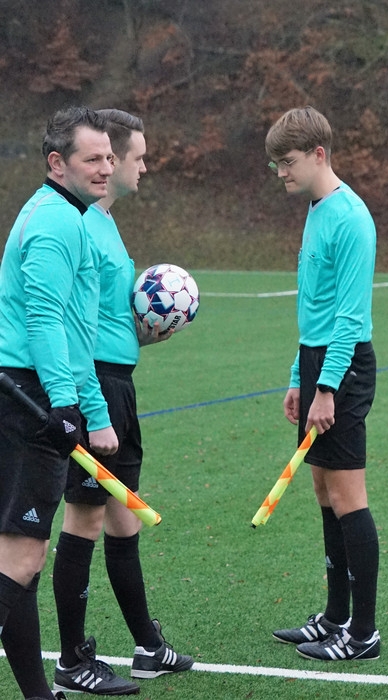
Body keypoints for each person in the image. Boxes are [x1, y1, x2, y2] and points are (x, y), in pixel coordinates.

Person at [51, 109, 193, 697]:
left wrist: (143, 334)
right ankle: (71, 657)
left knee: (123, 516)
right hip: (96, 388)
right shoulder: (81, 225)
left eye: (122, 158)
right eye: (134, 156)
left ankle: (147, 646)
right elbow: (72, 325)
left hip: (119, 383)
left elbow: (107, 317)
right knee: (84, 518)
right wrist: (94, 408)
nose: (135, 167)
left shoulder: (106, 224)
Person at [0, 107, 119, 700]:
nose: (106, 168)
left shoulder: (65, 215)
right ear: (57, 163)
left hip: (32, 392)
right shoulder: (55, 221)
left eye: (109, 157)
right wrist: (67, 408)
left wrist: (91, 411)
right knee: (21, 558)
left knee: (18, 559)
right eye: (92, 158)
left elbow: (76, 331)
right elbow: (45, 317)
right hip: (29, 398)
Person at [265, 106, 381, 662]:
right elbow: (314, 310)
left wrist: (328, 387)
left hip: (345, 366)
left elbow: (350, 318)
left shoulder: (352, 218)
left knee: (347, 496)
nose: (281, 173)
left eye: (288, 162)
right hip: (317, 362)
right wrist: (300, 377)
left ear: (318, 154)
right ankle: (335, 617)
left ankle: (363, 633)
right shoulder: (315, 209)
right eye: (276, 165)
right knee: (322, 490)